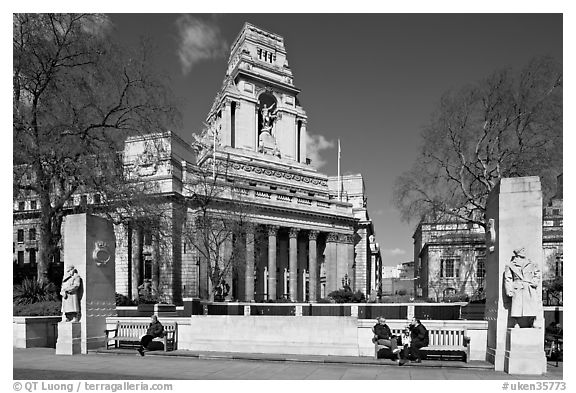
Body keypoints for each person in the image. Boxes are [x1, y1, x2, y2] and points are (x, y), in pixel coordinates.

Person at [504, 247, 541, 328]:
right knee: (516, 307)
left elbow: (537, 273)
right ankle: (515, 322)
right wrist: (509, 290)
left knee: (532, 306)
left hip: (529, 287)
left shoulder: (531, 263)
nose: (524, 251)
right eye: (522, 250)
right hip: (518, 287)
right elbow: (508, 278)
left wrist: (535, 282)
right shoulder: (510, 265)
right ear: (518, 253)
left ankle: (532, 321)